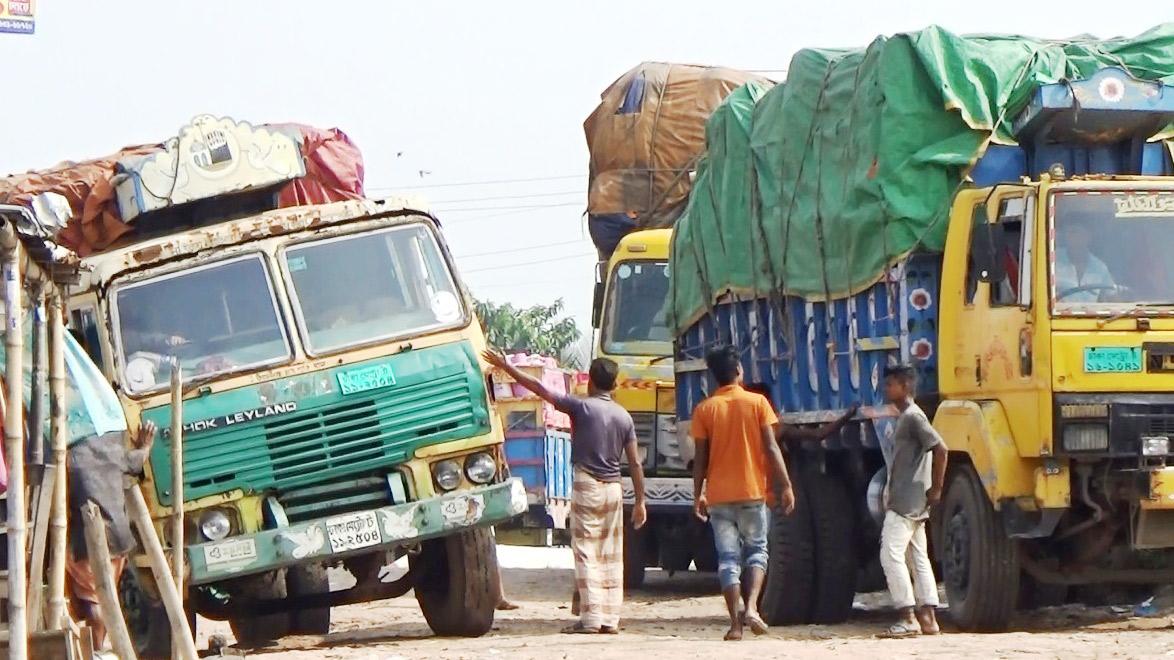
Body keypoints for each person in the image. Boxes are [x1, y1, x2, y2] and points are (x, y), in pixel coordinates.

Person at [482, 349, 647, 634]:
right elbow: (634, 462)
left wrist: (506, 366)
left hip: (588, 484)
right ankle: (610, 618)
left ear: (591, 383)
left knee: (585, 551)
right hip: (614, 490)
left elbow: (538, 388)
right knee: (610, 553)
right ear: (615, 384)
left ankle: (591, 619)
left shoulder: (582, 407)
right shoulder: (623, 416)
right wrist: (642, 501)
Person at [690, 346, 792, 641]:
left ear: (715, 378)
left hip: (719, 497)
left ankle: (735, 625)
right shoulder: (758, 403)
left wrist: (698, 494)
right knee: (757, 551)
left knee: (727, 559)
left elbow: (701, 459)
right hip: (752, 492)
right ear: (739, 372)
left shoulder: (705, 409)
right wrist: (785, 485)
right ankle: (751, 608)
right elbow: (772, 448)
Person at [878, 365, 948, 638]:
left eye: (891, 385)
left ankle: (907, 616)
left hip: (906, 502)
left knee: (890, 555)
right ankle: (929, 619)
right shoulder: (908, 417)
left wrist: (938, 489)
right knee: (918, 556)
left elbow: (941, 449)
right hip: (913, 500)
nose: (886, 390)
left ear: (905, 387)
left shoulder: (912, 417)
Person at [1055, 218, 1116, 302]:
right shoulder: (1052, 260)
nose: (1072, 237)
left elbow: (1111, 296)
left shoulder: (1100, 268)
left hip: (1089, 314)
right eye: (1069, 233)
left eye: (1076, 232)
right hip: (1055, 314)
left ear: (1088, 236)